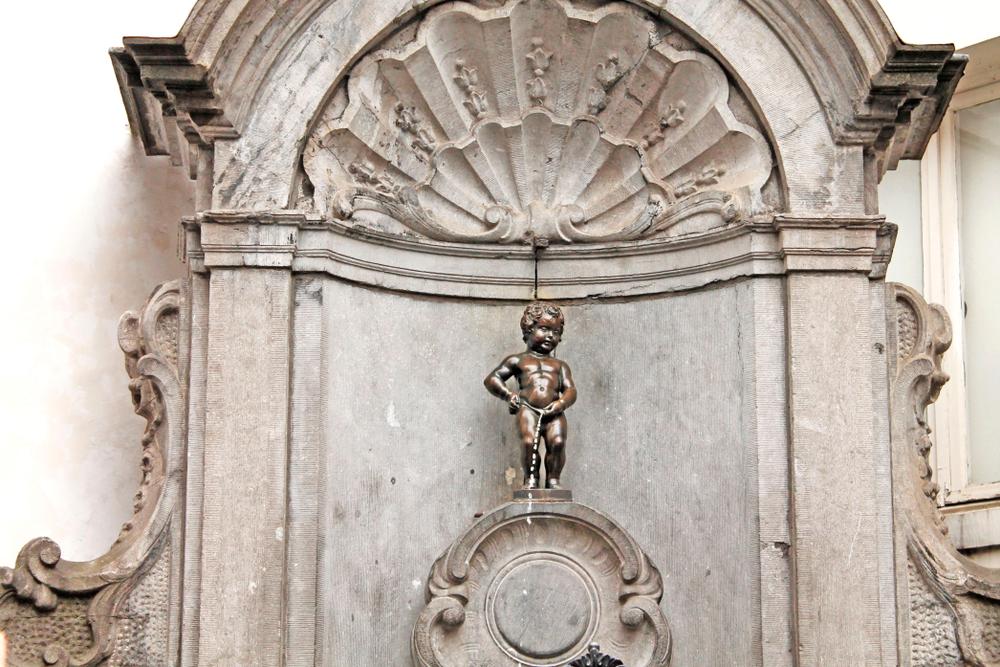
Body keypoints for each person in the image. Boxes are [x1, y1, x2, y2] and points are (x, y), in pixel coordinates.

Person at [484, 302, 577, 489]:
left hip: (555, 412)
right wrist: (508, 395)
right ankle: (531, 479)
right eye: (544, 329)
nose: (550, 336)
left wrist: (560, 404)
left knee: (558, 442)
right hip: (528, 409)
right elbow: (492, 379)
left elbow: (571, 390)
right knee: (528, 442)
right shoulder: (518, 360)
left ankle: (553, 480)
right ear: (528, 330)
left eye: (556, 332)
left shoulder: (560, 365)